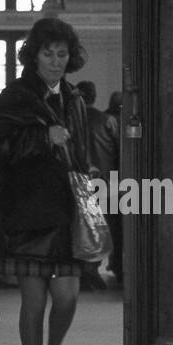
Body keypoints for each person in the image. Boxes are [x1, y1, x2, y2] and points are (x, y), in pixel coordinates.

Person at [0, 17, 91, 345]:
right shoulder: (15, 96)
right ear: (34, 55)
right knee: (33, 303)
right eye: (48, 53)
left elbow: (79, 149)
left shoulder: (74, 97)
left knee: (67, 296)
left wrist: (86, 171)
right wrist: (42, 138)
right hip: (27, 212)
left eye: (62, 54)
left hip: (64, 212)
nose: (55, 61)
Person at [75, 79, 113, 290]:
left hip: (78, 181)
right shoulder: (106, 120)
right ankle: (93, 269)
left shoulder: (71, 121)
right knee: (101, 226)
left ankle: (82, 270)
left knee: (82, 226)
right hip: (103, 181)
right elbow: (117, 149)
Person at [105, 91, 123, 285]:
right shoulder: (120, 122)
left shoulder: (104, 119)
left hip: (107, 181)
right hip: (122, 180)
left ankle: (115, 263)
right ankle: (119, 265)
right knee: (120, 228)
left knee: (112, 227)